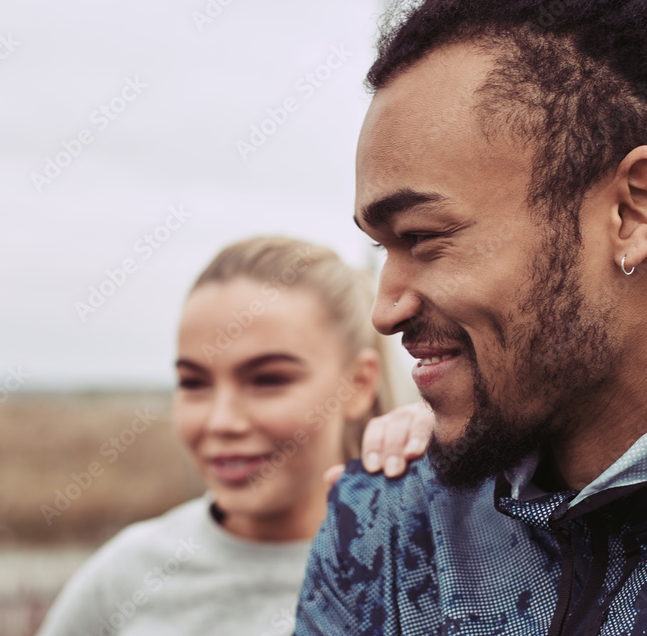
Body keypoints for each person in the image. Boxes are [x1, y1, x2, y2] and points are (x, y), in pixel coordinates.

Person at [295, 0, 647, 634]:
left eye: (422, 237)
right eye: (382, 246)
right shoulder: (384, 524)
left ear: (634, 210)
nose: (384, 309)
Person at [37, 236, 425, 636]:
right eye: (194, 382)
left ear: (358, 386)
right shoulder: (124, 577)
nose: (221, 421)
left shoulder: (426, 570)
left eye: (268, 379)